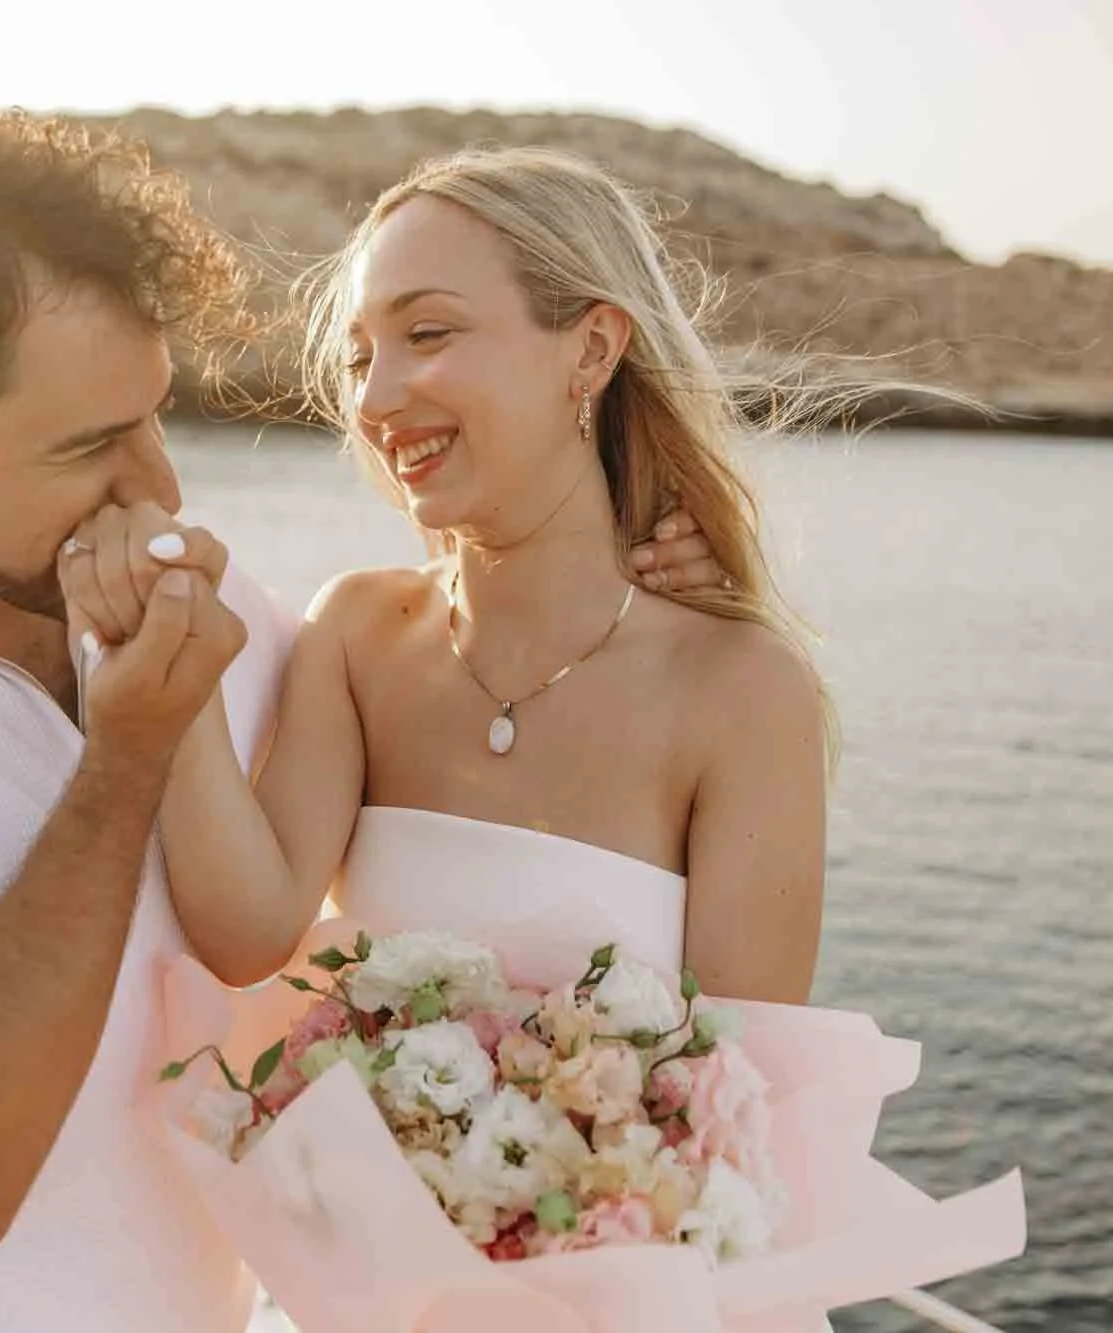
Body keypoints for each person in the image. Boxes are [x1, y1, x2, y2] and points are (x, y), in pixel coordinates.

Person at [0, 110, 722, 1333]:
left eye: (154, 416)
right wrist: (128, 751)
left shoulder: (215, 604)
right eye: (89, 446)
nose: (159, 488)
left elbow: (428, 778)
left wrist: (628, 605)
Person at [70, 144, 826, 1017]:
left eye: (426, 333)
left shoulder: (743, 688)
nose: (376, 399)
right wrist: (174, 666)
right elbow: (248, 936)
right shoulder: (358, 633)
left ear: (590, 351)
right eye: (359, 357)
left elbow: (747, 1089)